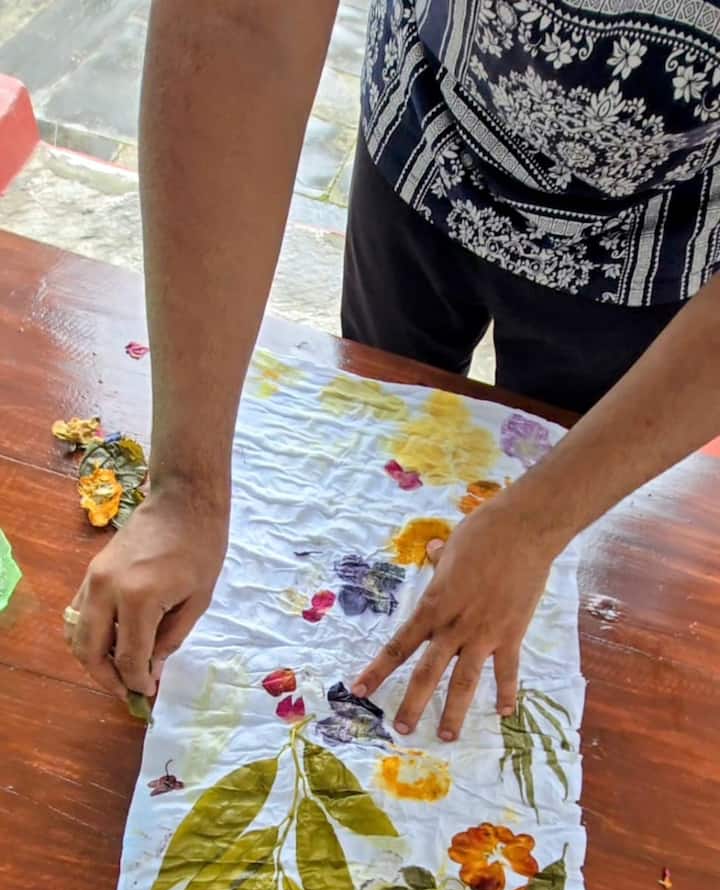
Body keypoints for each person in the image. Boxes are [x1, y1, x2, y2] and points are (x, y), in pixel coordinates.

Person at [66, 0, 720, 742]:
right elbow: (239, 22)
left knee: (544, 449)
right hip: (428, 128)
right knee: (377, 410)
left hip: (657, 232)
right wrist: (185, 489)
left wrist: (539, 522)